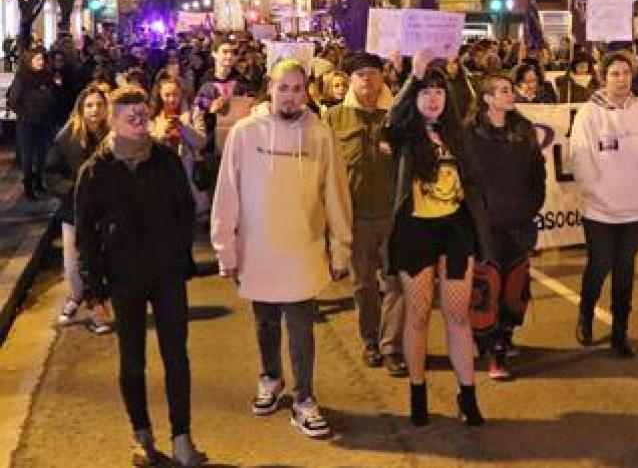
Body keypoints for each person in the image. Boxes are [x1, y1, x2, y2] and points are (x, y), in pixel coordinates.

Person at [210, 59, 352, 440]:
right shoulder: (244, 133)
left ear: (308, 92)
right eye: (283, 88)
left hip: (302, 249)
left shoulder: (321, 135)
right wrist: (225, 247)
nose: (290, 97)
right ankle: (270, 377)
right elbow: (227, 194)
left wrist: (341, 247)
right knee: (265, 322)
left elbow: (336, 195)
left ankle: (304, 399)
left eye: (298, 89)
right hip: (257, 248)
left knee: (301, 327)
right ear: (269, 89)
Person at [75, 87, 205, 467]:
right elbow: (86, 233)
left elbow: (185, 210)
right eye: (128, 115)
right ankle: (141, 435)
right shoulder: (96, 170)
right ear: (112, 120)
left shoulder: (164, 160)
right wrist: (93, 289)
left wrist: (178, 253)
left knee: (176, 356)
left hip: (166, 274)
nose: (137, 121)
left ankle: (182, 437)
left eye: (140, 114)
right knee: (132, 360)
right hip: (123, 277)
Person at [384, 65, 492, 427]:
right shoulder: (403, 135)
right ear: (415, 98)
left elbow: (475, 183)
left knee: (458, 317)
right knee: (417, 315)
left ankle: (468, 395)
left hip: (456, 231)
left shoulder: (458, 135)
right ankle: (418, 393)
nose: (433, 98)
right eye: (425, 92)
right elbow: (389, 121)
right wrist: (412, 77)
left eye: (438, 92)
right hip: (415, 231)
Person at [569, 52, 638, 358]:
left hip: (634, 210)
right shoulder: (589, 114)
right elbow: (582, 160)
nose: (621, 79)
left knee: (625, 272)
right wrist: (599, 194)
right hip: (600, 211)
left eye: (625, 73)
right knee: (599, 266)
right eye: (614, 74)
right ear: (603, 77)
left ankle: (620, 331)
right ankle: (586, 313)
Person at [323, 53, 407, 378]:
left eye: (373, 74)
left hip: (392, 215)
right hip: (353, 217)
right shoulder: (333, 118)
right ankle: (369, 339)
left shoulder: (396, 118)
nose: (367, 81)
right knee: (362, 286)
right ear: (350, 80)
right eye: (360, 75)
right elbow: (324, 170)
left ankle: (391, 346)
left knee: (395, 282)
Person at [465, 74, 547, 381]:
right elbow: (465, 182)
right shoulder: (470, 134)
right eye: (503, 91)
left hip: (518, 226)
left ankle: (505, 336)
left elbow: (537, 175)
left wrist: (530, 206)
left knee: (514, 293)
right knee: (488, 292)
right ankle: (494, 355)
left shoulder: (523, 131)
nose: (510, 94)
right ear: (487, 99)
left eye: (510, 90)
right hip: (485, 230)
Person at [46, 85, 114, 335]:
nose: (95, 110)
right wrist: (74, 190)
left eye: (99, 104)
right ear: (81, 108)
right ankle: (76, 297)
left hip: (105, 213)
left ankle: (97, 309)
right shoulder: (67, 139)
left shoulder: (114, 137)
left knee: (98, 264)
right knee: (73, 266)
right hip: (73, 212)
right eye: (89, 105)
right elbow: (51, 174)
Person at [9, 48, 64, 200]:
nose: (40, 62)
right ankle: (28, 186)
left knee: (42, 154)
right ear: (30, 61)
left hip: (45, 121)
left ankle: (39, 182)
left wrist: (56, 87)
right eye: (37, 59)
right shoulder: (23, 78)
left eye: (42, 59)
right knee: (28, 156)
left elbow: (55, 97)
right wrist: (25, 113)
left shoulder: (48, 76)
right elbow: (13, 100)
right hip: (27, 123)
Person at [150, 76, 208, 220]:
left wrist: (183, 127)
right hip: (162, 173)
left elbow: (201, 142)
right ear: (160, 96)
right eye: (167, 95)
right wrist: (162, 133)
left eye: (175, 94)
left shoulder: (194, 113)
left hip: (186, 171)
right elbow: (148, 145)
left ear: (181, 93)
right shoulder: (153, 117)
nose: (171, 99)